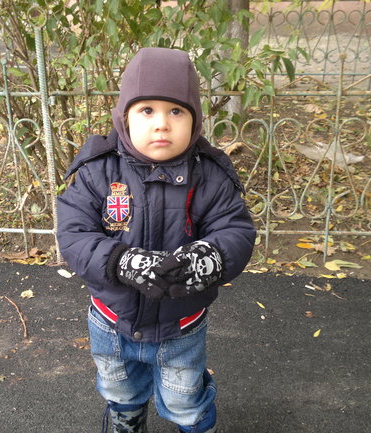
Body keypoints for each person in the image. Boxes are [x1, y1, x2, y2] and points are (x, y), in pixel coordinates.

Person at [57, 47, 256, 433]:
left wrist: (207, 258)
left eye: (176, 111)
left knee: (185, 400)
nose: (162, 124)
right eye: (147, 110)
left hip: (181, 326)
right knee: (121, 391)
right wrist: (121, 261)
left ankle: (193, 423)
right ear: (124, 116)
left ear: (195, 119)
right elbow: (74, 233)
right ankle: (127, 421)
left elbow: (236, 231)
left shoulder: (210, 176)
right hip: (112, 321)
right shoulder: (99, 171)